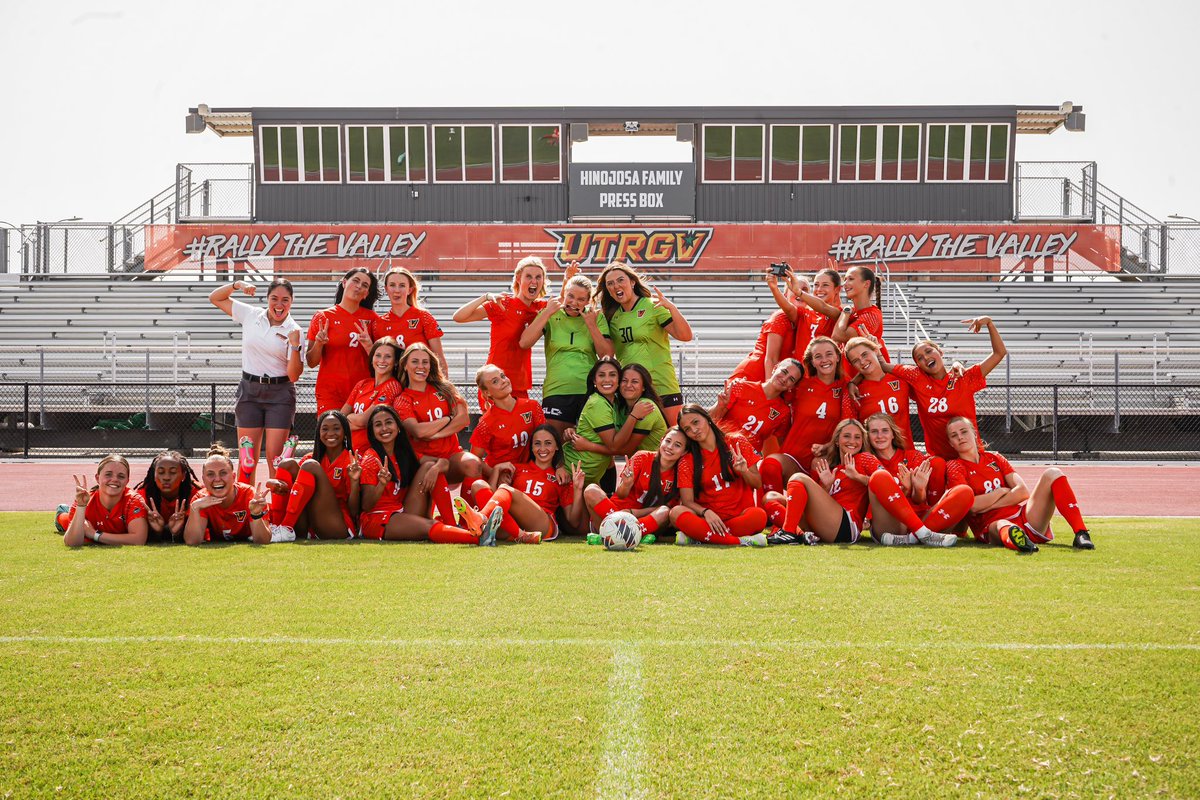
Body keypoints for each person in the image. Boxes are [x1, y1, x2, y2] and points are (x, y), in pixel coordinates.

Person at [945, 416, 1095, 552]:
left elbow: (1022, 492)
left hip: (1024, 516)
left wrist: (989, 505)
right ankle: (1020, 541)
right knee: (1002, 524)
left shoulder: (995, 458)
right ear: (951, 443)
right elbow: (972, 506)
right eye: (954, 435)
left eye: (964, 431)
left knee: (1053, 473)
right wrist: (1000, 492)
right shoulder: (955, 466)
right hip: (990, 524)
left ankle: (1081, 533)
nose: (960, 437)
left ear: (974, 433)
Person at [208, 277, 304, 483]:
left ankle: (276, 511)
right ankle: (249, 510)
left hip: (280, 393)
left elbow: (294, 375)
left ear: (292, 301)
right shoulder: (252, 315)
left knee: (276, 460)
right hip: (249, 390)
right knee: (247, 458)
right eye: (274, 298)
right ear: (267, 298)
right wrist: (238, 284)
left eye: (285, 300)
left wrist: (295, 346)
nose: (279, 305)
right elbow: (215, 298)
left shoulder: (294, 330)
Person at [358, 405, 493, 544]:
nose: (384, 428)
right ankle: (479, 537)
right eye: (378, 425)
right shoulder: (371, 458)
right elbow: (366, 506)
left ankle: (452, 523)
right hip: (378, 518)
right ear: (372, 432)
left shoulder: (404, 453)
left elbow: (444, 463)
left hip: (403, 510)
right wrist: (381, 484)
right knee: (429, 526)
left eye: (389, 422)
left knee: (430, 467)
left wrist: (436, 469)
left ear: (398, 427)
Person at [887, 316, 1007, 460]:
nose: (925, 357)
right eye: (919, 358)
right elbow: (882, 366)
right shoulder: (917, 382)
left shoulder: (963, 378)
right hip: (940, 460)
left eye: (929, 351)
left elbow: (999, 353)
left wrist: (989, 323)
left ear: (940, 352)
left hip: (971, 458)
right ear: (918, 366)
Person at [393, 342, 484, 524]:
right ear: (405, 365)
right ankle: (451, 524)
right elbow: (418, 431)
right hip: (422, 459)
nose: (421, 366)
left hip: (451, 455)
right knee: (434, 473)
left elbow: (464, 419)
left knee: (474, 464)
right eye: (415, 361)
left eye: (425, 362)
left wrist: (436, 434)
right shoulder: (402, 399)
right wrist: (447, 419)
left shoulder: (445, 389)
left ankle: (468, 523)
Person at [594, 261, 693, 426]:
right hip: (632, 388)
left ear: (632, 282)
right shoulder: (611, 317)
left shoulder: (653, 305)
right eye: (610, 283)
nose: (615, 286)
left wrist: (672, 308)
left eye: (620, 280)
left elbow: (685, 336)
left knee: (676, 434)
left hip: (662, 383)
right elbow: (607, 354)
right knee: (640, 442)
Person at [764, 419, 890, 545]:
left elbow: (886, 483)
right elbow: (818, 508)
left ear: (862, 441)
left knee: (798, 478)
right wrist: (826, 486)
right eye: (847, 436)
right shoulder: (833, 469)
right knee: (770, 498)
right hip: (828, 524)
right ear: (836, 441)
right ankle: (801, 535)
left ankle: (789, 532)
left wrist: (857, 477)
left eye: (857, 437)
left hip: (847, 526)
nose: (852, 441)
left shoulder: (865, 458)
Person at [518, 271, 613, 434]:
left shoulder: (596, 317)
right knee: (557, 446)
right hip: (556, 390)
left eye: (581, 299)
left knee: (591, 445)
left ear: (588, 301)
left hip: (588, 390)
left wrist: (591, 325)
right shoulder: (552, 314)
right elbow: (524, 342)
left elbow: (607, 356)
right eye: (571, 296)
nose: (574, 303)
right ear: (565, 294)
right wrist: (547, 312)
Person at [458, 425, 587, 543]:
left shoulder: (560, 476)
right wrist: (496, 470)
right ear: (531, 447)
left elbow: (574, 521)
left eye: (548, 443)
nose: (542, 448)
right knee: (478, 485)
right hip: (514, 523)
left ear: (556, 447)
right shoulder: (517, 469)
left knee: (504, 488)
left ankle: (481, 518)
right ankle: (515, 534)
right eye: (537, 443)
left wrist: (577, 489)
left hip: (542, 524)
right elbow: (491, 498)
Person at [860, 413, 972, 547]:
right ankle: (923, 534)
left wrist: (919, 488)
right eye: (874, 432)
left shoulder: (913, 456)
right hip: (890, 525)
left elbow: (919, 500)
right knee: (880, 476)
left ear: (892, 434)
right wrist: (905, 489)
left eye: (885, 430)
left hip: (922, 520)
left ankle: (915, 537)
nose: (880, 436)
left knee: (964, 491)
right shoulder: (866, 460)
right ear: (868, 436)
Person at [452, 256, 550, 406]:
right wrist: (485, 297)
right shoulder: (503, 303)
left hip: (519, 385)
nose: (534, 281)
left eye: (538, 277)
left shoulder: (540, 308)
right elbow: (458, 317)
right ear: (518, 278)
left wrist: (568, 278)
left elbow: (564, 302)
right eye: (528, 276)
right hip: (495, 383)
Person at [669, 405, 768, 547]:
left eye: (695, 422)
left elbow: (757, 483)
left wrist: (743, 471)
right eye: (687, 429)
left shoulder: (736, 442)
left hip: (739, 517)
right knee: (676, 513)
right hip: (709, 520)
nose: (694, 430)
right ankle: (740, 541)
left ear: (707, 418)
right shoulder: (687, 460)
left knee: (759, 516)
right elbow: (687, 501)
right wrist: (706, 512)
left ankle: (701, 536)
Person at [266, 410, 361, 541]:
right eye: (325, 429)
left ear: (345, 432)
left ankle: (286, 528)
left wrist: (355, 482)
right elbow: (297, 491)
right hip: (311, 523)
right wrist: (278, 485)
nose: (331, 433)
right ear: (319, 433)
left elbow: (354, 510)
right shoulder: (310, 457)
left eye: (336, 428)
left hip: (339, 525)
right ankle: (276, 526)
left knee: (311, 466)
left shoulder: (351, 461)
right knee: (287, 464)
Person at [709, 359, 801, 493]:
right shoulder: (740, 386)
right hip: (719, 450)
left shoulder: (783, 412)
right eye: (784, 371)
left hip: (747, 463)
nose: (784, 379)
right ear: (775, 368)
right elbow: (709, 420)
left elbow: (783, 445)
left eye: (791, 379)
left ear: (791, 387)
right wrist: (720, 405)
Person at [583, 427, 688, 540]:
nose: (670, 447)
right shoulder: (642, 457)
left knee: (664, 512)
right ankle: (624, 533)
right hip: (613, 513)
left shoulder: (681, 473)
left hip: (642, 521)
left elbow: (666, 509)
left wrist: (633, 513)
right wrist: (626, 485)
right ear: (661, 440)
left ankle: (622, 534)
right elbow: (621, 495)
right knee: (591, 490)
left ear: (684, 452)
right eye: (668, 441)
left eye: (677, 445)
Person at [562, 357, 648, 492]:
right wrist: (634, 416)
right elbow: (614, 446)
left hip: (589, 476)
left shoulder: (616, 401)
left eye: (612, 375)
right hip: (572, 474)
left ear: (619, 380)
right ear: (594, 381)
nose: (607, 380)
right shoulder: (597, 404)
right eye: (601, 375)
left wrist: (581, 438)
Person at [306, 267, 381, 416]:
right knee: (331, 436)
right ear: (344, 283)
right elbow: (311, 362)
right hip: (330, 392)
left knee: (359, 438)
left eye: (365, 285)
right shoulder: (322, 317)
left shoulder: (373, 319)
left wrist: (369, 346)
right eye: (356, 281)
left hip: (363, 391)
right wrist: (319, 344)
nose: (359, 286)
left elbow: (382, 361)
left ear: (366, 294)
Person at [778, 337, 851, 476]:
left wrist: (829, 446)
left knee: (819, 468)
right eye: (818, 356)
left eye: (829, 354)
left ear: (837, 357)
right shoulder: (800, 385)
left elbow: (847, 424)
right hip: (794, 456)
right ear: (812, 361)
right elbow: (779, 408)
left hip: (825, 457)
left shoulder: (846, 386)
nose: (824, 360)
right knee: (770, 465)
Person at [183, 444, 273, 545]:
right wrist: (195, 508)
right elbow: (192, 541)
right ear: (203, 479)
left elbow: (262, 541)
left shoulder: (250, 496)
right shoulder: (200, 499)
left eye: (223, 473)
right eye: (210, 474)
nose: (217, 479)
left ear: (233, 476)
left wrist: (256, 515)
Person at [469, 364, 546, 480]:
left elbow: (546, 439)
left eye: (503, 376)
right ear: (487, 393)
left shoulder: (532, 406)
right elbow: (474, 459)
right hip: (502, 477)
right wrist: (495, 474)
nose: (503, 381)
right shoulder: (486, 423)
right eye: (495, 381)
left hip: (527, 473)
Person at [726, 267, 798, 385]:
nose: (798, 291)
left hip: (772, 378)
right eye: (793, 288)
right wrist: (771, 391)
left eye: (804, 290)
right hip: (753, 376)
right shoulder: (781, 317)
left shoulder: (805, 319)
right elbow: (771, 359)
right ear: (785, 294)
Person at [62, 454, 149, 547]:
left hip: (96, 530)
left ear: (127, 481)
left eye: (121, 476)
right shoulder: (85, 499)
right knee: (64, 520)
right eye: (108, 474)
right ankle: (61, 512)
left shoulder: (134, 500)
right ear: (97, 478)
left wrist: (94, 534)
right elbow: (72, 543)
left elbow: (138, 540)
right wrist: (81, 507)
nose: (115, 479)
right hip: (68, 516)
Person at [370, 267, 447, 372]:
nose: (397, 290)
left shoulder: (423, 317)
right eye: (392, 285)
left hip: (421, 382)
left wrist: (443, 387)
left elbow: (439, 359)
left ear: (410, 290)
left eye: (402, 285)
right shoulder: (378, 323)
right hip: (393, 383)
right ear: (386, 289)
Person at [844, 336, 914, 446]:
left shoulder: (900, 379)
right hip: (874, 458)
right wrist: (852, 383)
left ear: (875, 350)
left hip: (906, 454)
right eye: (856, 361)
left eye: (864, 354)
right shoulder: (854, 392)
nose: (862, 361)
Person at [341, 337, 404, 454]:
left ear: (395, 362)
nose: (382, 360)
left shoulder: (393, 386)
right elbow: (339, 419)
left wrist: (349, 419)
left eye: (388, 356)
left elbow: (365, 420)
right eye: (378, 355)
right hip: (352, 452)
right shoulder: (362, 384)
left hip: (373, 454)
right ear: (372, 359)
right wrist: (353, 421)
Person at [772, 264, 843, 363]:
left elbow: (825, 308)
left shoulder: (840, 313)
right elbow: (788, 308)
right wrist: (774, 288)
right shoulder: (805, 312)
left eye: (825, 285)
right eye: (816, 285)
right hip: (802, 374)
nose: (819, 289)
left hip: (824, 373)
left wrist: (798, 291)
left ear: (837, 289)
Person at [833, 264, 889, 371]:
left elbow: (838, 335)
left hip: (867, 383)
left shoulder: (870, 315)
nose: (845, 284)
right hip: (852, 380)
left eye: (850, 279)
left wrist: (845, 312)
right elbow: (825, 308)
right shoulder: (852, 311)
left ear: (866, 284)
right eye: (845, 279)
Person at [134, 451, 200, 543]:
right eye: (161, 472)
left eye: (173, 472)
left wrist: (178, 533)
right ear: (153, 475)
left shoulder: (197, 494)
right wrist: (157, 532)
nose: (166, 477)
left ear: (183, 475)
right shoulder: (142, 494)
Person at [614, 363, 669, 454]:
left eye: (634, 381)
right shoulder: (621, 406)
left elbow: (627, 449)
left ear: (643, 387)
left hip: (655, 464)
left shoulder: (647, 406)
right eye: (624, 380)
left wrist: (587, 445)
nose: (628, 385)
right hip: (638, 463)